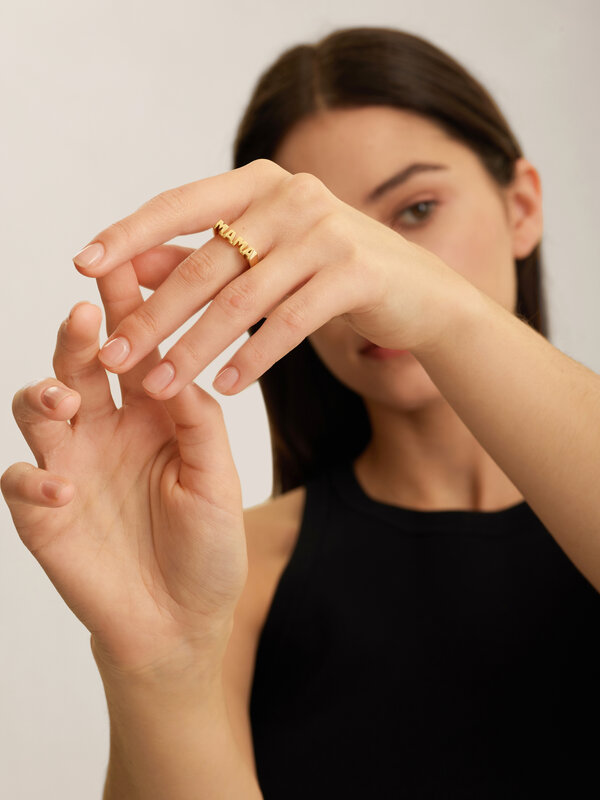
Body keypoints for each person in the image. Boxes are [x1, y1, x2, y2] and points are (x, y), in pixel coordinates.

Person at [3, 26, 600, 800]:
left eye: (416, 211)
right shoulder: (232, 576)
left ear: (522, 207)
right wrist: (160, 670)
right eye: (316, 243)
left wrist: (445, 313)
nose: (361, 273)